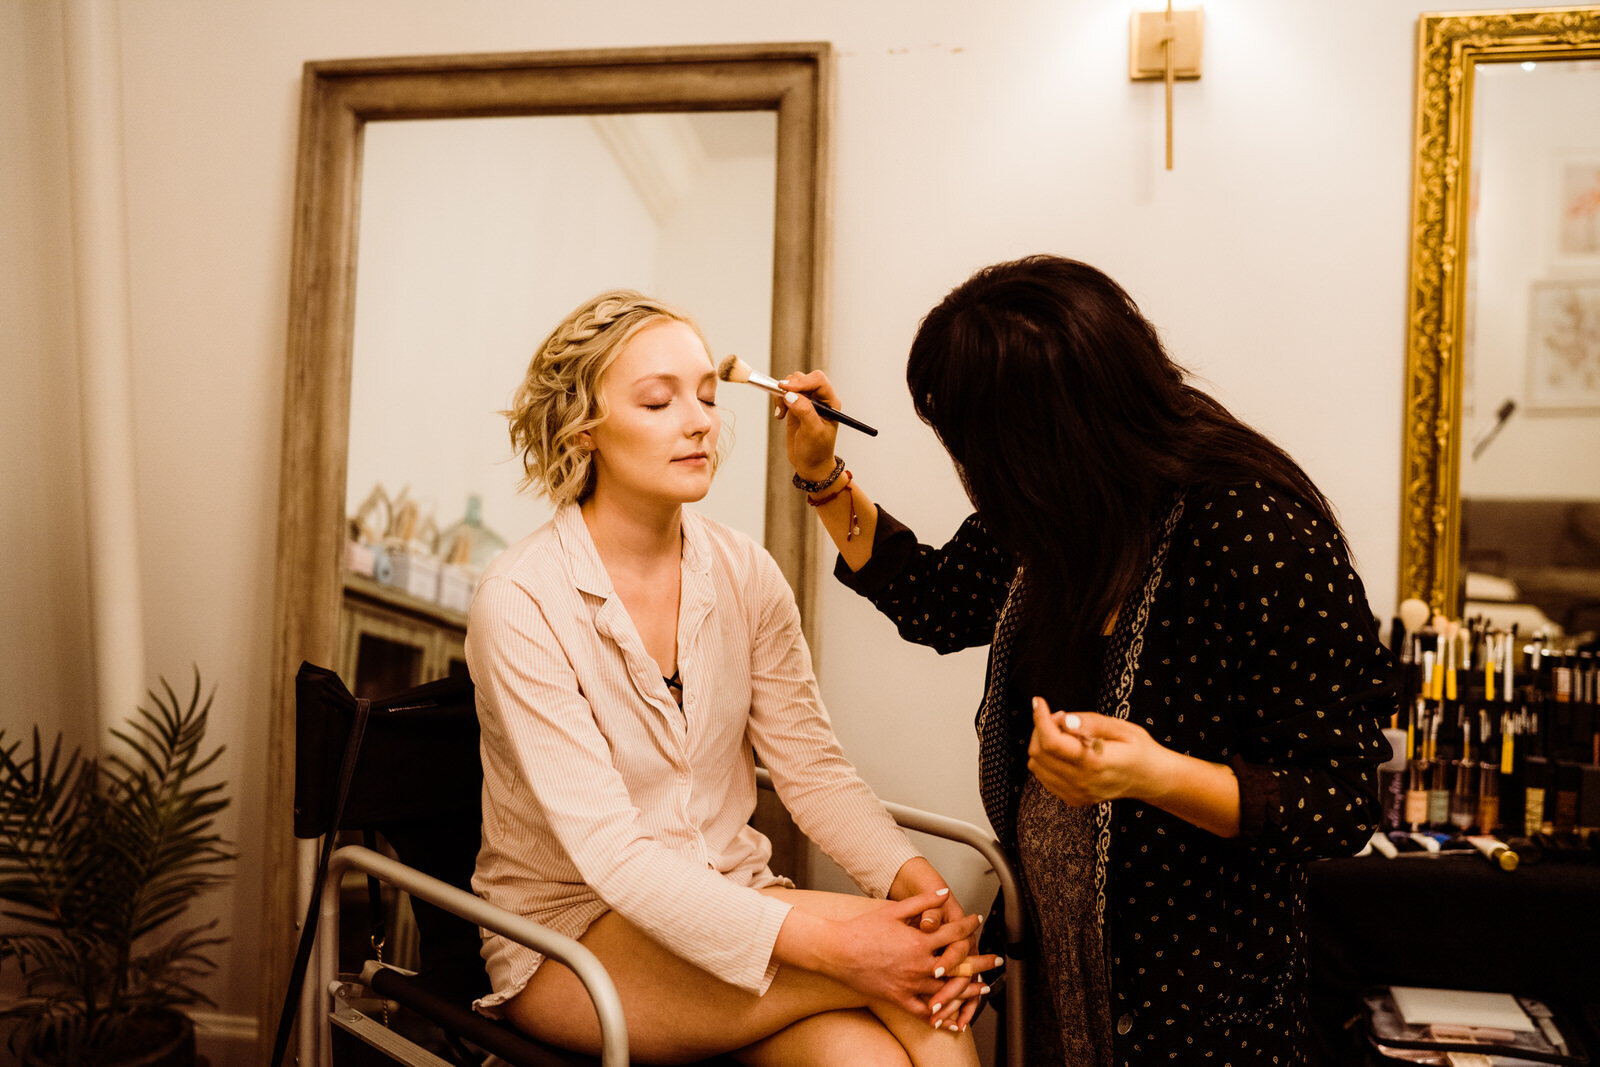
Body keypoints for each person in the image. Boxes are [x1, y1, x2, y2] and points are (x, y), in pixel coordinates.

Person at [776, 256, 1396, 1065]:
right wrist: (820, 470)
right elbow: (933, 599)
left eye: (977, 446)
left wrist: (1155, 775)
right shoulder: (1056, 518)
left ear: (1045, 437)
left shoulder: (1255, 534)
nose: (972, 474)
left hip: (1203, 1007)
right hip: (1060, 968)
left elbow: (1342, 800)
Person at [465, 289, 999, 1066]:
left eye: (709, 398)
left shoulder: (745, 572)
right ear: (584, 429)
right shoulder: (521, 600)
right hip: (574, 936)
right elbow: (616, 857)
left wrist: (924, 896)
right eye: (659, 401)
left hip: (736, 896)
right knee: (917, 986)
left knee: (887, 1041)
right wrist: (849, 948)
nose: (701, 420)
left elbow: (813, 771)